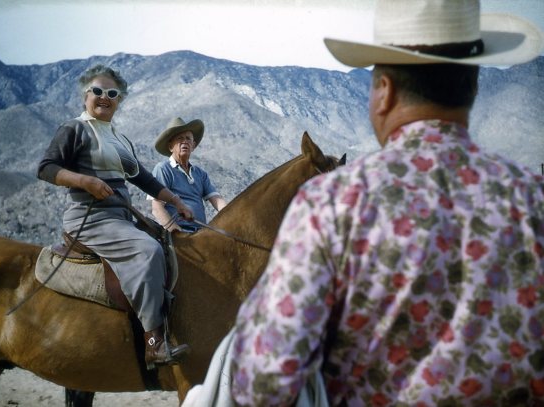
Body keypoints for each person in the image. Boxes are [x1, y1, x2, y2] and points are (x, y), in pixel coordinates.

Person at [229, 1, 544, 406]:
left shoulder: (331, 205)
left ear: (384, 91)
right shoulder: (532, 198)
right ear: (474, 87)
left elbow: (263, 379)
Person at [37, 64, 192, 369]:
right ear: (86, 95)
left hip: (121, 218)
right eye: (98, 91)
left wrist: (175, 201)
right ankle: (154, 343)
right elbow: (46, 167)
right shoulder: (75, 129)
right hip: (90, 217)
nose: (104, 97)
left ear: (119, 100)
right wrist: (86, 182)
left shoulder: (120, 140)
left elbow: (143, 179)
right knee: (146, 251)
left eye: (112, 93)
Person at [149, 117, 227, 232]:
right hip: (178, 232)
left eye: (188, 139)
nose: (184, 141)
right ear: (170, 146)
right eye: (180, 138)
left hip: (201, 233)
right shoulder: (163, 169)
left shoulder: (200, 174)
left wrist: (233, 213)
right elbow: (157, 208)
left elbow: (217, 199)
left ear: (193, 145)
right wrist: (176, 232)